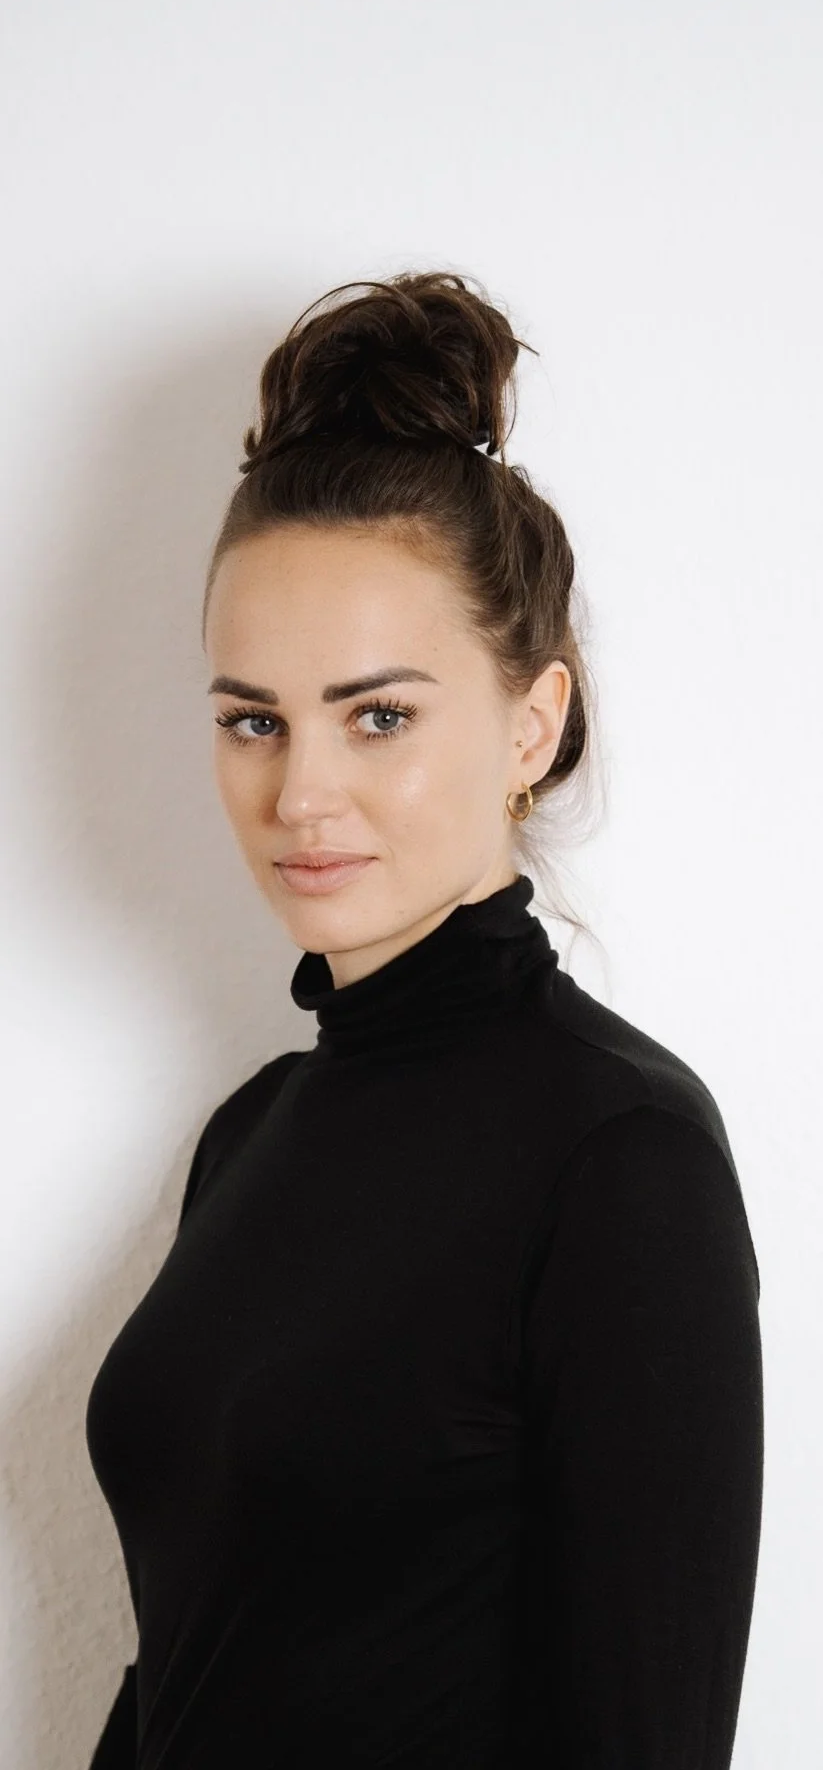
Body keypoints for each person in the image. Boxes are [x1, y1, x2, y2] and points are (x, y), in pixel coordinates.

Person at [83, 272, 764, 1767]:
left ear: (532, 724)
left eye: (377, 714)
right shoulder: (252, 1135)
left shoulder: (620, 1156)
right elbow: (186, 1663)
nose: (299, 792)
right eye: (253, 719)